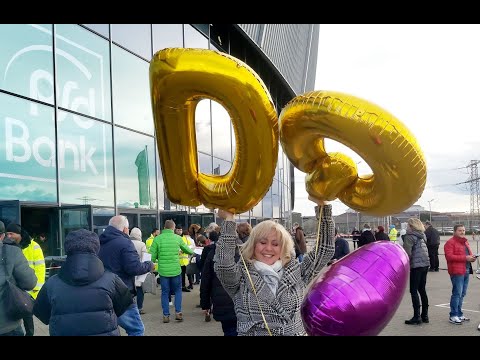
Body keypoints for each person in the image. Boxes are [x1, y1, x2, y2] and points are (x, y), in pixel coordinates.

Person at [214, 196, 335, 336]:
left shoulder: (296, 272)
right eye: (263, 242)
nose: (269, 249)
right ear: (253, 245)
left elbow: (325, 250)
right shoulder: (241, 276)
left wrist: (323, 208)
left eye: (275, 244)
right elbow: (223, 264)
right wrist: (229, 220)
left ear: (283, 248)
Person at [33, 229, 133, 336]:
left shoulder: (51, 284)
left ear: (67, 248)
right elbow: (124, 307)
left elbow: (42, 315)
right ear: (96, 248)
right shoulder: (112, 280)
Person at [98, 215, 154, 336]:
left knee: (109, 330)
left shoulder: (99, 242)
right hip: (122, 293)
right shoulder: (125, 243)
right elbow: (134, 268)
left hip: (102, 292)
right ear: (124, 229)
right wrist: (149, 265)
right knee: (137, 329)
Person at [150, 220, 194, 323]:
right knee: (178, 291)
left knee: (165, 293)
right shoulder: (178, 238)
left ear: (164, 227)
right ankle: (178, 312)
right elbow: (188, 250)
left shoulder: (157, 239)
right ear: (173, 228)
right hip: (175, 270)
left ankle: (166, 315)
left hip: (163, 271)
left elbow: (152, 256)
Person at [5, 223, 45, 336]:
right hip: (12, 289)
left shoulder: (34, 247)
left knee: (28, 317)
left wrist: (35, 290)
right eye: (7, 234)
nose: (9, 236)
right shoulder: (8, 247)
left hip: (29, 290)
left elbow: (40, 269)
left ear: (19, 234)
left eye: (11, 233)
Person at [444, 224, 475, 325]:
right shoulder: (450, 242)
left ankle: (459, 314)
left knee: (462, 293)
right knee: (457, 293)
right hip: (457, 272)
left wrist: (472, 258)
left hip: (466, 270)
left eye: (463, 230)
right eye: (460, 230)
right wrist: (466, 258)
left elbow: (467, 255)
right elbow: (449, 257)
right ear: (454, 231)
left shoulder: (465, 242)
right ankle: (453, 315)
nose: (462, 232)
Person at [402, 218, 430, 325]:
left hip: (416, 266)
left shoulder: (409, 237)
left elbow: (407, 254)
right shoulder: (422, 236)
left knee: (413, 291)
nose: (407, 227)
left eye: (408, 225)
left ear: (412, 226)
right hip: (425, 264)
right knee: (422, 290)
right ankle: (425, 315)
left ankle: (416, 317)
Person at [130, 227, 147, 315]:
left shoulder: (127, 242)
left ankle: (130, 307)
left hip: (129, 269)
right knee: (140, 289)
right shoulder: (142, 244)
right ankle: (140, 307)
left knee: (129, 289)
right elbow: (145, 258)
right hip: (140, 269)